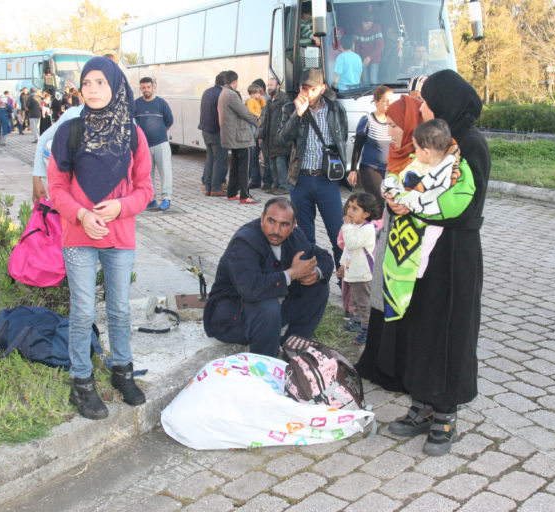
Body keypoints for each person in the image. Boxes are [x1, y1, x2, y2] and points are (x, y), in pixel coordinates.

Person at [356, 69, 490, 457]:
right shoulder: (435, 140)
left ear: (448, 102)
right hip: (420, 255)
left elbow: (467, 209)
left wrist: (415, 207)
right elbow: (412, 179)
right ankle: (421, 406)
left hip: (453, 257)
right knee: (419, 326)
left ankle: (445, 414)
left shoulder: (470, 145)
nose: (424, 107)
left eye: (429, 101)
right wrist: (398, 199)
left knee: (448, 332)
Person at [47, 56, 154, 420]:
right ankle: (82, 382)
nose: (92, 90)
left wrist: (120, 207)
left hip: (119, 235)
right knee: (82, 309)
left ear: (115, 86)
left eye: (100, 83)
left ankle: (122, 372)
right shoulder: (69, 131)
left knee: (120, 309)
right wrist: (81, 214)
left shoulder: (133, 134)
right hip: (78, 234)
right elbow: (56, 188)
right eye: (86, 83)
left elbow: (145, 189)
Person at [203, 197, 333, 357]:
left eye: (284, 224)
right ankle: (266, 364)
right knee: (267, 306)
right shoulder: (244, 241)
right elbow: (250, 289)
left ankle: (293, 348)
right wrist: (292, 273)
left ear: (294, 226)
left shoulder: (295, 236)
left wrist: (316, 273)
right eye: (271, 221)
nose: (276, 230)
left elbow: (323, 256)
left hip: (266, 313)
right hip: (231, 318)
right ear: (262, 217)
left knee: (318, 287)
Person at [276, 68, 348, 268]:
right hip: (301, 180)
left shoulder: (335, 109)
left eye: (312, 89)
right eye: (303, 88)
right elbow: (281, 140)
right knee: (304, 239)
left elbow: (341, 140)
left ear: (322, 88)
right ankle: (309, 285)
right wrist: (297, 115)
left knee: (338, 235)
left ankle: (344, 286)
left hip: (327, 180)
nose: (307, 93)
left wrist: (347, 170)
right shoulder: (290, 108)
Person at [381, 118, 458, 214]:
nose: (415, 152)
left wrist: (397, 195)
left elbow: (423, 196)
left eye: (416, 148)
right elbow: (396, 175)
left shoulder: (437, 172)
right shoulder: (420, 162)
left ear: (426, 152)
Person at [337, 192, 379, 344]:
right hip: (352, 272)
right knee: (354, 301)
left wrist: (347, 226)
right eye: (349, 207)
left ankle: (367, 331)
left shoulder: (367, 229)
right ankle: (356, 324)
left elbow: (352, 243)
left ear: (366, 214)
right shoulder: (355, 226)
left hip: (362, 275)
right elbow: (347, 248)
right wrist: (342, 264)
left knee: (363, 304)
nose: (349, 211)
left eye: (355, 209)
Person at [348, 85, 394, 212]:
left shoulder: (393, 121)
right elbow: (357, 147)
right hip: (370, 169)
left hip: (389, 170)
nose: (388, 104)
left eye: (391, 100)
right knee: (379, 201)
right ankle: (374, 229)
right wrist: (353, 170)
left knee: (390, 202)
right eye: (385, 101)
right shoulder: (367, 121)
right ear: (377, 102)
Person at [218, 70, 259, 204]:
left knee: (235, 165)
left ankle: (232, 192)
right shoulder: (231, 94)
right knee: (245, 167)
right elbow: (244, 112)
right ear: (234, 81)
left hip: (232, 136)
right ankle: (245, 195)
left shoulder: (223, 93)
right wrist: (256, 121)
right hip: (241, 137)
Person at [134, 77, 174, 211]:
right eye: (143, 87)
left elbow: (169, 121)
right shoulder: (136, 104)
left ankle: (166, 199)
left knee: (165, 172)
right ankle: (151, 199)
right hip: (144, 146)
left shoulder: (161, 103)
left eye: (148, 87)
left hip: (161, 143)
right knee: (147, 174)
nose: (146, 90)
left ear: (153, 87)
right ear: (140, 89)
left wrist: (160, 132)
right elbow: (134, 123)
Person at [258, 77, 290, 195]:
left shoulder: (284, 100)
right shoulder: (269, 101)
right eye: (268, 85)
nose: (269, 87)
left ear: (278, 86)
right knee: (272, 163)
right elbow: (264, 120)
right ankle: (276, 185)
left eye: (272, 85)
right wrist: (261, 136)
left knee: (280, 163)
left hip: (279, 137)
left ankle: (283, 186)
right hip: (269, 138)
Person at [199, 71, 228, 196]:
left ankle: (207, 185)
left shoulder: (207, 91)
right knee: (219, 159)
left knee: (210, 157)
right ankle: (216, 188)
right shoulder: (221, 94)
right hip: (216, 130)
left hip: (205, 130)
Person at [245, 82, 271, 191]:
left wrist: (261, 98)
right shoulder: (251, 101)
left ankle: (263, 181)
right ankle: (257, 180)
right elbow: (251, 112)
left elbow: (264, 112)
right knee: (255, 157)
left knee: (261, 157)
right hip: (256, 130)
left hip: (261, 132)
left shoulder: (264, 101)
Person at [354, 12, 384, 84]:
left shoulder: (376, 29)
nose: (365, 25)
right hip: (363, 59)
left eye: (367, 23)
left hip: (374, 58)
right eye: (364, 23)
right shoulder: (358, 30)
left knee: (373, 80)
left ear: (372, 22)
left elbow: (380, 46)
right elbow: (357, 47)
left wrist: (369, 58)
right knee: (365, 80)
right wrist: (359, 60)